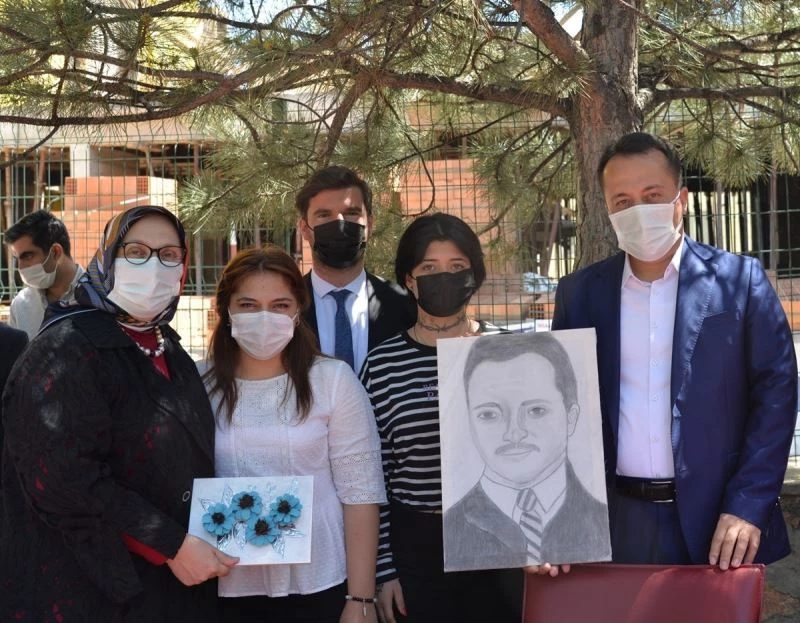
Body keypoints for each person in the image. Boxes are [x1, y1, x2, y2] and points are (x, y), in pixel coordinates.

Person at [551, 132, 797, 571]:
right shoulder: (580, 295)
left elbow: (776, 394)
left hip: (718, 522)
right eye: (623, 201)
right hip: (614, 521)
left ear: (681, 199)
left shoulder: (739, 282)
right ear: (607, 209)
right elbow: (560, 406)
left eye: (652, 195)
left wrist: (748, 503)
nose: (638, 210)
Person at [0, 205, 237, 622]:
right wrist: (170, 544)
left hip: (174, 584)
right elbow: (64, 478)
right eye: (137, 252)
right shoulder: (65, 348)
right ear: (108, 257)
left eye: (169, 255)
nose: (154, 266)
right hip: (91, 589)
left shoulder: (166, 344)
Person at [201, 246, 386, 623]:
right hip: (223, 584)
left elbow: (361, 494)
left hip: (321, 583)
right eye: (249, 305)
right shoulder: (198, 384)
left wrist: (361, 598)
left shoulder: (332, 380)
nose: (264, 317)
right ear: (227, 310)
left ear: (298, 311)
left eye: (280, 305)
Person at [359, 213, 521, 623]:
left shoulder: (511, 353)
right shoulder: (382, 365)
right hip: (418, 547)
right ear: (409, 280)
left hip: (503, 540)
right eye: (429, 268)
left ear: (474, 275)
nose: (443, 279)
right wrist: (384, 570)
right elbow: (372, 474)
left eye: (456, 267)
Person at [444, 332, 610, 571]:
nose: (514, 432)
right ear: (469, 421)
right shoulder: (452, 527)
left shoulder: (602, 520)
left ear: (571, 417)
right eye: (489, 414)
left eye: (536, 411)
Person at [296, 165, 416, 372]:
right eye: (324, 215)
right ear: (305, 229)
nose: (340, 224)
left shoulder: (404, 304)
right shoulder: (287, 306)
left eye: (351, 213)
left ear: (369, 225)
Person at [4, 210, 84, 339]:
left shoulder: (98, 298)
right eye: (17, 259)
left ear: (56, 252)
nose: (20, 267)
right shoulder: (21, 305)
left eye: (27, 256)